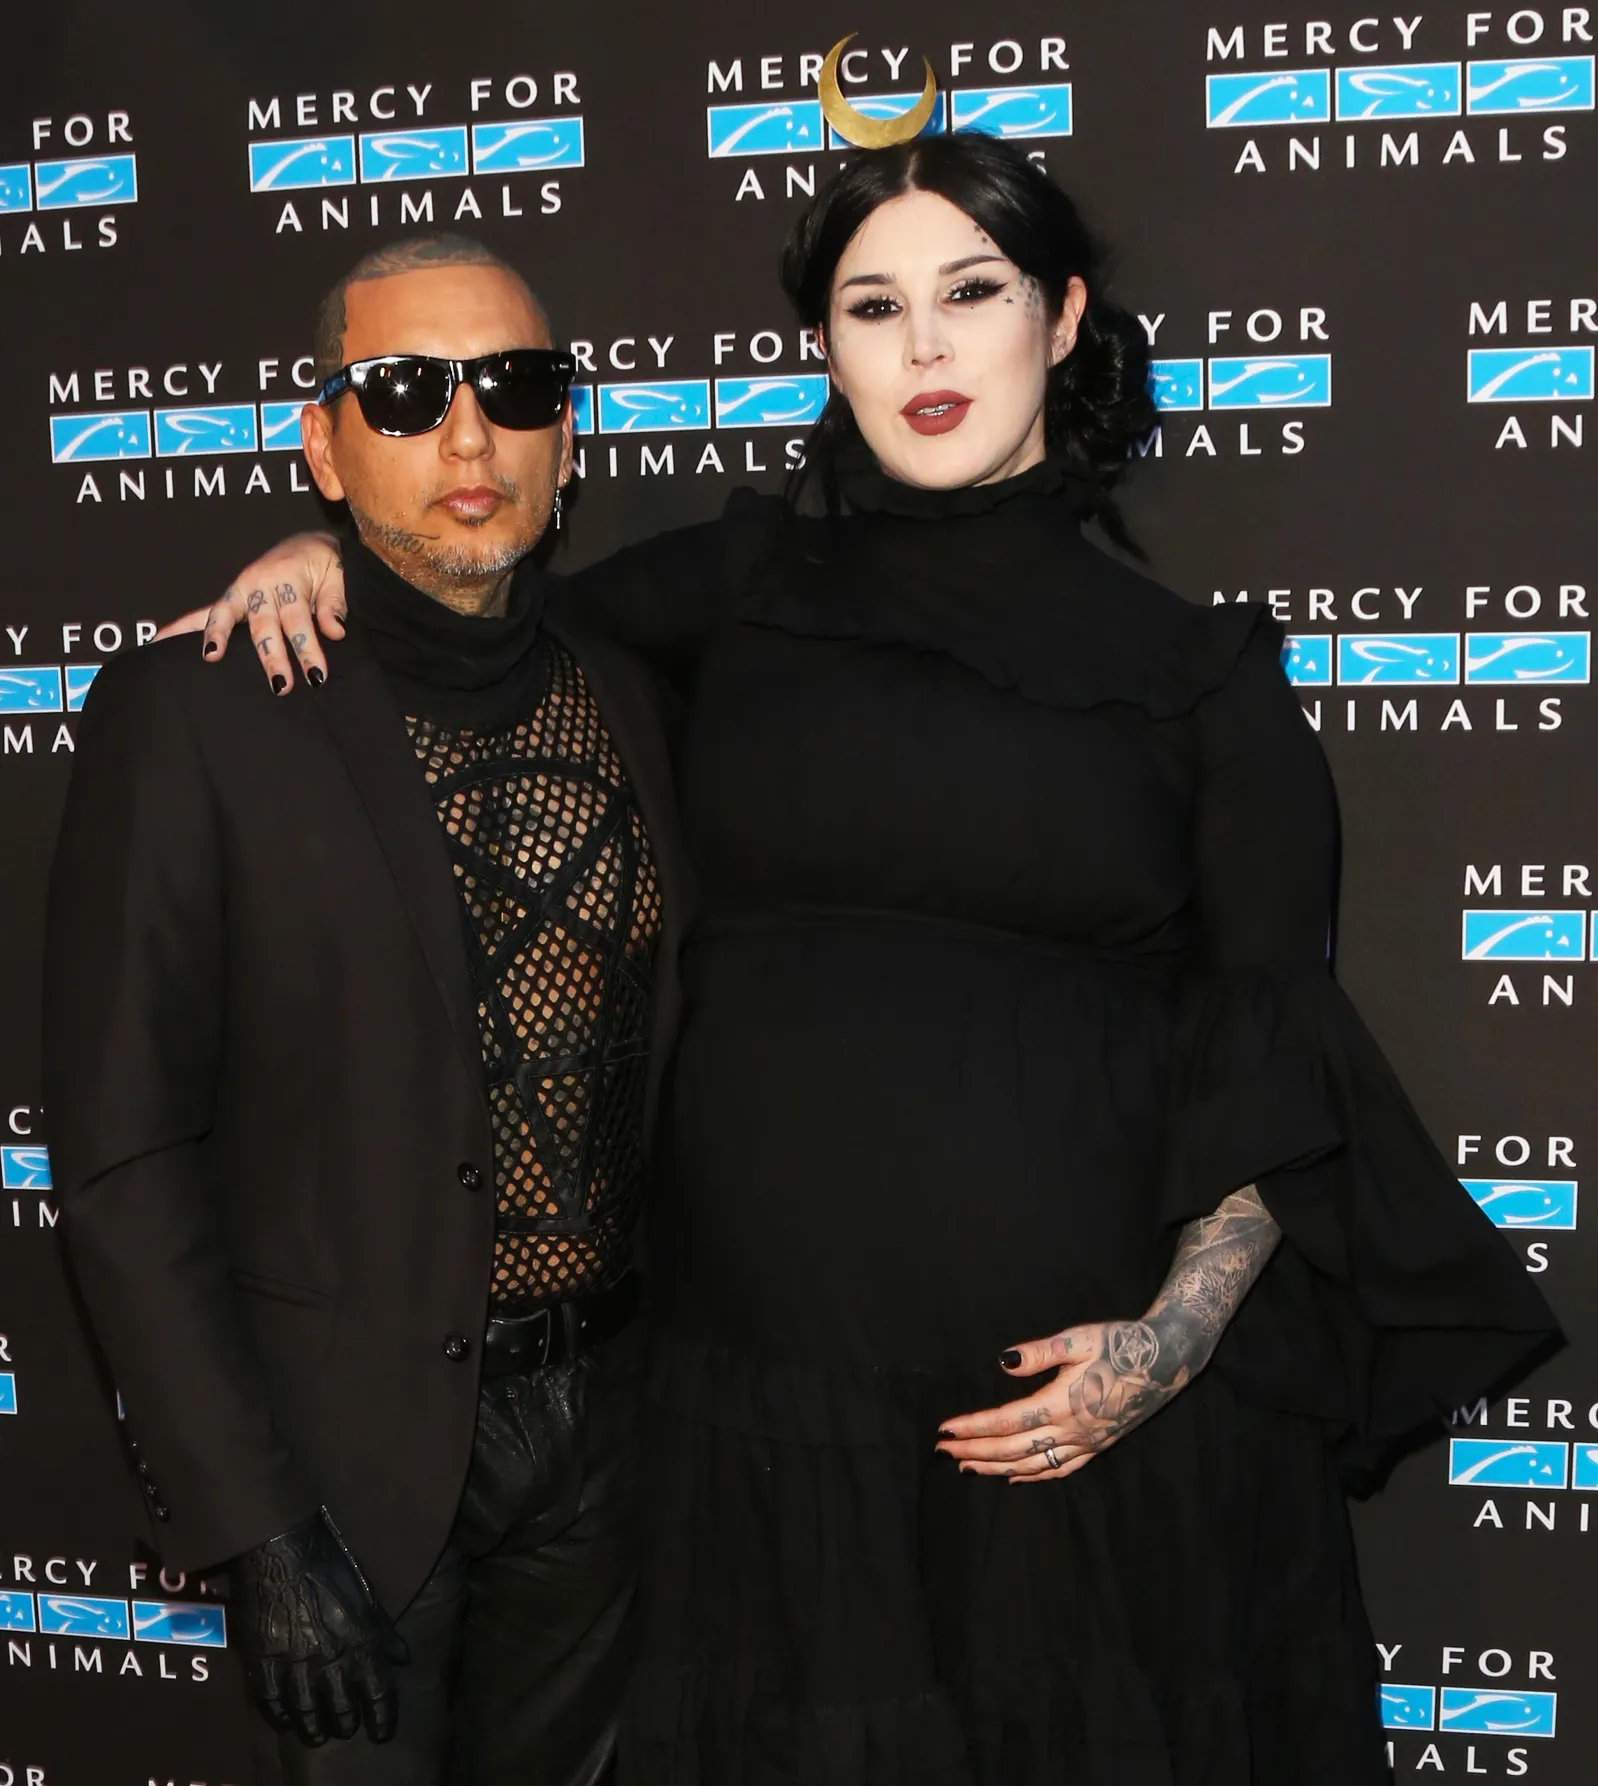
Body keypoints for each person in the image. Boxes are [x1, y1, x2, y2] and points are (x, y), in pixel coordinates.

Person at [175, 137, 1559, 1784]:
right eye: (871, 306)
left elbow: (1271, 1053)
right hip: (762, 1432)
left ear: (1060, 318)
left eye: (970, 292)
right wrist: (331, 553)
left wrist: (1164, 1345)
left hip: (1077, 1442)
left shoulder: (1199, 678)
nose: (923, 346)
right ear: (825, 348)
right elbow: (475, 617)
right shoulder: (735, 589)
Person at [44, 235, 692, 1786]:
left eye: (514, 387)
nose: (468, 435)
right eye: (404, 392)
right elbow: (125, 1154)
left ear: (568, 434)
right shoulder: (195, 709)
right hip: (343, 1457)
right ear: (323, 445)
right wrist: (255, 1518)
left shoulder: (640, 683)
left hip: (612, 1437)